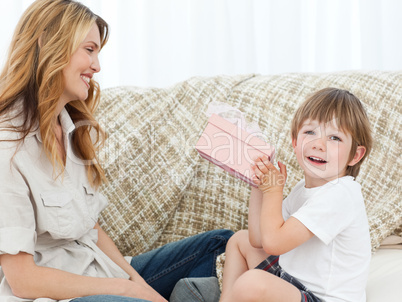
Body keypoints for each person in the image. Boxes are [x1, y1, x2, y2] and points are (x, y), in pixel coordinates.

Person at [0, 1, 233, 301]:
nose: (97, 66)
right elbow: (23, 280)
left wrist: (141, 287)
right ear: (48, 44)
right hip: (66, 294)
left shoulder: (71, 130)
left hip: (99, 271)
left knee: (222, 245)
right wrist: (124, 289)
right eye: (89, 49)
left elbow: (91, 229)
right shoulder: (8, 145)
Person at [219, 88, 373, 302]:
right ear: (295, 141)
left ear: (355, 155)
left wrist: (274, 191)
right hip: (294, 284)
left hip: (322, 299)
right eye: (310, 132)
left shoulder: (342, 194)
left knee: (252, 283)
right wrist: (259, 185)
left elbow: (274, 244)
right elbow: (259, 239)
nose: (318, 144)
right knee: (239, 241)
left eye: (334, 137)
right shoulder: (303, 189)